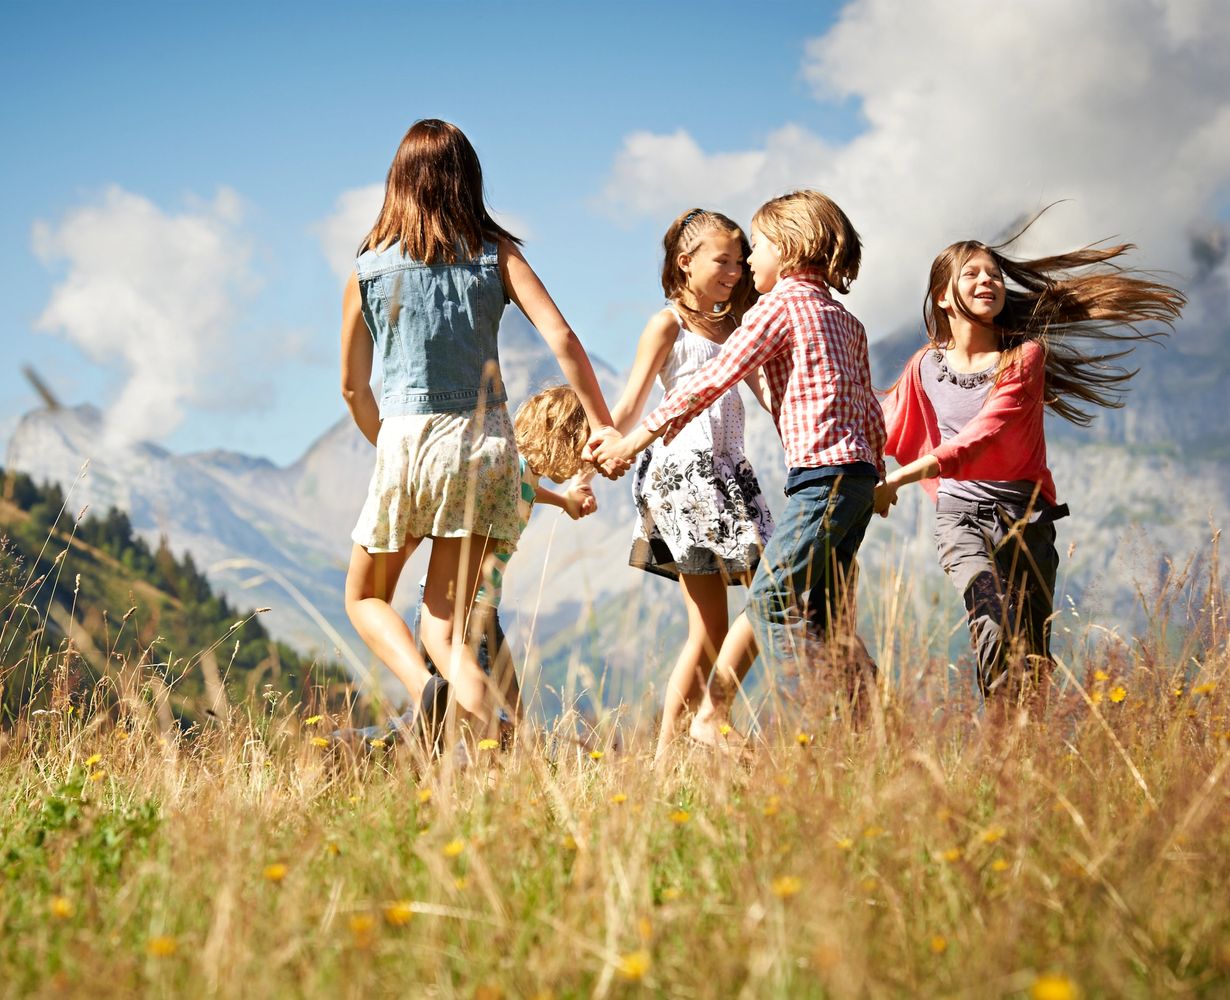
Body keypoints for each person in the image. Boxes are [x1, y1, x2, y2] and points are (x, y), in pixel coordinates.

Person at [340, 119, 617, 746]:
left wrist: (390, 448)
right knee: (447, 631)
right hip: (485, 447)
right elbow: (565, 339)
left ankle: (422, 690)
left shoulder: (367, 268)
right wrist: (601, 424)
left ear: (398, 182)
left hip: (406, 443)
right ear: (468, 180)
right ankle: (489, 753)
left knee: (364, 598)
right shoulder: (498, 254)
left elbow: (354, 389)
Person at [587, 189, 885, 746]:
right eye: (730, 256)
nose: (748, 262)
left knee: (774, 595)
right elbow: (863, 401)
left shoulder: (774, 310)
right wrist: (879, 468)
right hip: (799, 479)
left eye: (757, 248)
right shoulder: (842, 320)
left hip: (788, 477)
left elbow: (731, 383)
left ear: (790, 249)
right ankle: (851, 708)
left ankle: (807, 722)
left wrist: (636, 440)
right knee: (796, 605)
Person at [876, 230, 1184, 709]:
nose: (988, 281)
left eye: (994, 274)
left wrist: (900, 477)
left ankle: (1024, 749)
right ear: (942, 296)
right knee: (990, 615)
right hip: (960, 515)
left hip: (1027, 518)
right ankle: (1001, 734)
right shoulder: (925, 366)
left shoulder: (1024, 358)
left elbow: (987, 432)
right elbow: (885, 420)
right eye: (972, 274)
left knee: (1033, 653)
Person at [337, 386, 598, 749]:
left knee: (500, 714)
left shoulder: (518, 473)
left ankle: (481, 768)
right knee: (473, 717)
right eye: (580, 444)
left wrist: (564, 501)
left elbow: (530, 490)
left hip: (481, 606)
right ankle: (357, 746)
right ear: (561, 438)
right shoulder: (512, 467)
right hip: (461, 607)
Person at [606, 209, 774, 760]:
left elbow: (769, 399)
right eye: (722, 261)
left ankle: (678, 747)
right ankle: (665, 757)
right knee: (711, 626)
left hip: (729, 469)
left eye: (739, 261)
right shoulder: (668, 325)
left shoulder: (736, 327)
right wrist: (599, 454)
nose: (735, 270)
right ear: (686, 262)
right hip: (686, 475)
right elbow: (631, 404)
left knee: (753, 602)